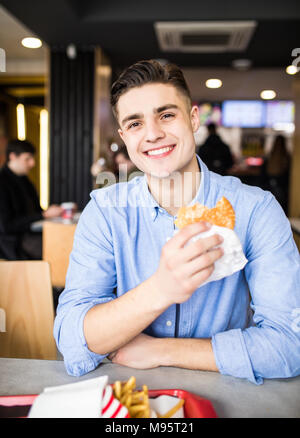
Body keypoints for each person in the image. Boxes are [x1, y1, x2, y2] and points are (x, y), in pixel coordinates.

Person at [54, 60, 300, 385]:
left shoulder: (257, 210)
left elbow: (290, 344)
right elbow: (72, 342)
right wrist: (160, 289)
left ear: (193, 118)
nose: (153, 134)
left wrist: (162, 351)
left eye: (166, 115)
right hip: (132, 396)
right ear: (125, 136)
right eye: (135, 123)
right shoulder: (105, 211)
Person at [0, 139, 63, 260]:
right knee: (58, 250)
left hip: (30, 236)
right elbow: (6, 226)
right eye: (27, 159)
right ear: (13, 156)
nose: (32, 163)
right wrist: (44, 215)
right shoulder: (2, 183)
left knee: (62, 240)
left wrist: (50, 213)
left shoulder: (25, 181)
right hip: (12, 242)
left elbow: (36, 212)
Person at [262, 135, 291, 215]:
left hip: (269, 193)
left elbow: (262, 178)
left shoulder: (268, 158)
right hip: (283, 196)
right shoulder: (288, 160)